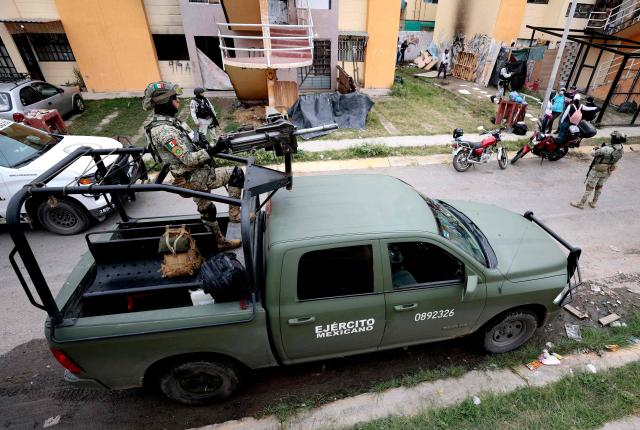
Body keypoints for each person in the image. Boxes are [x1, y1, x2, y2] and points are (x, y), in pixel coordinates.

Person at [142, 81, 243, 250]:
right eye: (174, 98)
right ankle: (234, 215)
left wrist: (204, 142)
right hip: (193, 176)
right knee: (236, 173)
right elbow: (188, 159)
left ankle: (219, 241)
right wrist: (215, 149)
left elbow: (189, 141)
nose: (178, 101)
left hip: (190, 173)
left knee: (207, 209)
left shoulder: (168, 122)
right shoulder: (164, 131)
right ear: (164, 102)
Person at [571, 131, 625, 209]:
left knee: (590, 187)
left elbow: (593, 153)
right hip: (608, 170)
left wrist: (594, 149)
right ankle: (593, 203)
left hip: (597, 170)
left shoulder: (607, 149)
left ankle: (581, 204)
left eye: (612, 138)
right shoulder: (621, 149)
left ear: (615, 140)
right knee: (599, 187)